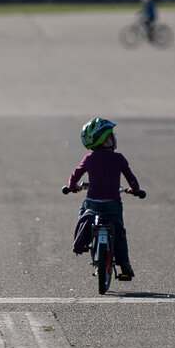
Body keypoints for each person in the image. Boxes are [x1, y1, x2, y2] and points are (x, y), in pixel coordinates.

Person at [66, 118, 142, 279]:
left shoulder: (89, 158)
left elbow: (75, 175)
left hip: (92, 203)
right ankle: (124, 265)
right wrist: (135, 190)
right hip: (113, 204)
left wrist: (72, 186)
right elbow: (131, 178)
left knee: (83, 213)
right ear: (107, 140)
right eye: (112, 135)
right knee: (119, 232)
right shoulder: (119, 158)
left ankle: (83, 239)